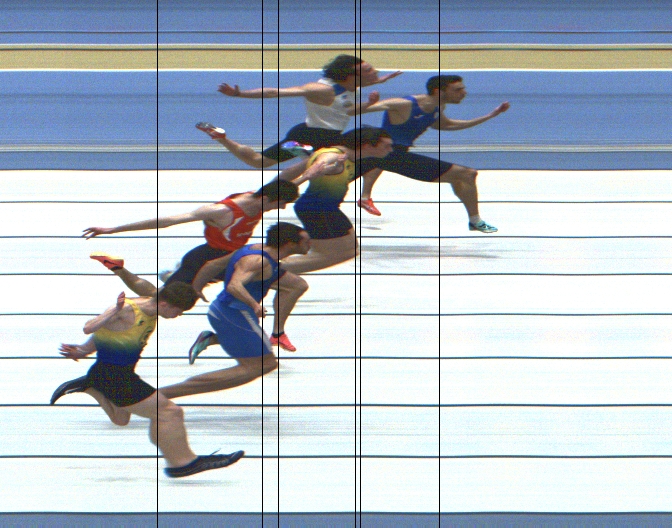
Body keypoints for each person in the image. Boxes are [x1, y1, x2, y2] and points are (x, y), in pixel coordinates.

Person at [49, 282, 245, 478]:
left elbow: (108, 332)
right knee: (169, 412)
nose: (179, 315)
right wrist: (114, 310)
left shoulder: (150, 310)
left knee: (121, 419)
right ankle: (182, 463)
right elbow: (89, 327)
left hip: (118, 374)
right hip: (114, 377)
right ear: (165, 304)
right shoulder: (125, 309)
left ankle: (91, 386)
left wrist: (83, 350)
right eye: (178, 310)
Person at [82, 180, 302, 351]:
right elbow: (167, 221)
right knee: (157, 298)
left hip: (232, 259)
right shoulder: (222, 211)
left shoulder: (260, 198)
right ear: (265, 198)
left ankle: (276, 333)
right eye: (281, 203)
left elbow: (287, 181)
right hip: (205, 261)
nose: (282, 208)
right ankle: (119, 269)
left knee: (293, 284)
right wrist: (113, 229)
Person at [157, 222, 311, 399]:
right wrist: (254, 305)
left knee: (297, 285)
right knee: (262, 365)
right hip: (233, 314)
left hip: (228, 312)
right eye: (306, 241)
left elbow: (213, 265)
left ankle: (274, 332)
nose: (310, 244)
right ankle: (164, 394)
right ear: (290, 244)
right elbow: (234, 286)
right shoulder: (258, 261)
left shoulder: (255, 249)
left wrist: (196, 288)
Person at [195, 54, 402, 181]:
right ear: (350, 76)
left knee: (269, 163)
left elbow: (347, 111)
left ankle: (278, 188)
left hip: (325, 136)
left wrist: (370, 98)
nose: (375, 71)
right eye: (368, 70)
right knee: (262, 162)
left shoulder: (353, 86)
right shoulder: (321, 90)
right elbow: (274, 92)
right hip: (309, 137)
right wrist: (239, 94)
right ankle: (222, 138)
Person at [350, 74, 510, 233]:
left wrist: (490, 116)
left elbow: (447, 125)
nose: (464, 93)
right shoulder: (404, 104)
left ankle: (475, 221)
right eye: (457, 89)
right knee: (467, 174)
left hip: (395, 156)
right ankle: (475, 221)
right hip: (384, 154)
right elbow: (351, 111)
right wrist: (368, 102)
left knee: (465, 176)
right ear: (438, 91)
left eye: (463, 89)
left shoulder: (437, 108)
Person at [275, 127, 393, 275]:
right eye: (386, 146)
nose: (390, 150)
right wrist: (313, 172)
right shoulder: (333, 156)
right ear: (367, 146)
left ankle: (272, 270)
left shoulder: (349, 157)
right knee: (328, 255)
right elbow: (322, 163)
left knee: (351, 251)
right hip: (316, 209)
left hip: (328, 208)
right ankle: (270, 270)